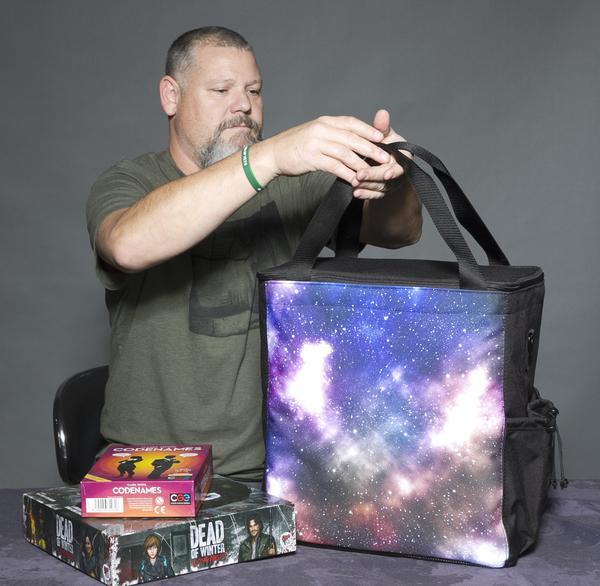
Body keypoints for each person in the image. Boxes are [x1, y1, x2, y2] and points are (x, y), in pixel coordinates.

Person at [86, 26, 422, 482]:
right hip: (148, 469)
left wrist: (394, 178)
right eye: (221, 90)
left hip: (278, 471)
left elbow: (401, 231)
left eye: (254, 91)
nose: (243, 105)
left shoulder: (293, 184)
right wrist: (266, 158)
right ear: (171, 96)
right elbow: (127, 245)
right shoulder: (129, 182)